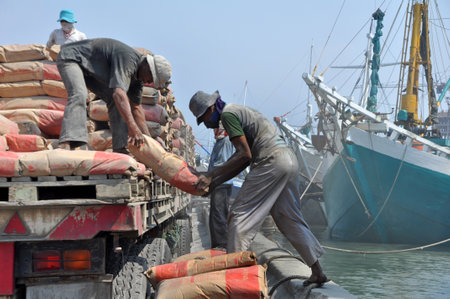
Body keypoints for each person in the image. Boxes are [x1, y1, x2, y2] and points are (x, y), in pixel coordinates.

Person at [189, 90, 328, 286]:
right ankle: (317, 271)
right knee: (288, 218)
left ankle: (237, 283)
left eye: (203, 118)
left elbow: (244, 155)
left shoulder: (228, 115)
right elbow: (243, 160)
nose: (205, 123)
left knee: (239, 217)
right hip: (288, 160)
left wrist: (211, 174)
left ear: (211, 109)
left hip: (270, 161)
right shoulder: (238, 111)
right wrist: (216, 182)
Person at [56, 38, 172, 151]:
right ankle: (67, 142)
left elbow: (136, 108)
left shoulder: (138, 81)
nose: (149, 82)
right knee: (79, 94)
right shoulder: (129, 60)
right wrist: (132, 127)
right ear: (147, 66)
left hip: (90, 70)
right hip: (72, 58)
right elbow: (119, 94)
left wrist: (148, 141)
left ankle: (120, 147)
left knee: (118, 103)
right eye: (152, 78)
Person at [208, 123, 234, 249]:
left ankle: (221, 245)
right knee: (216, 214)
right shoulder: (219, 142)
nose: (214, 131)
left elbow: (221, 164)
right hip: (218, 183)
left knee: (219, 215)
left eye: (216, 128)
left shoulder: (225, 142)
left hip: (222, 183)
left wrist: (208, 178)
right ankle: (217, 244)